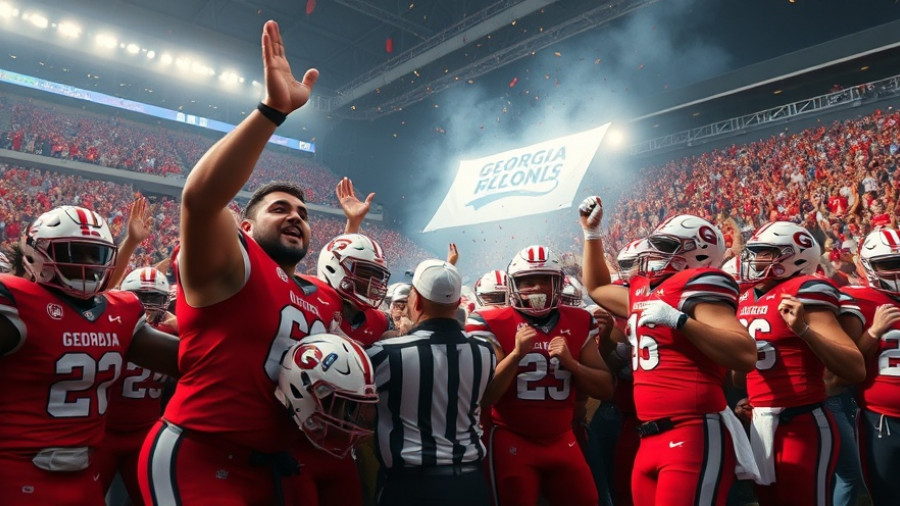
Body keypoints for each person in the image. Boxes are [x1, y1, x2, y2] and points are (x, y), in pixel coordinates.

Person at [137, 20, 346, 505]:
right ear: (245, 228)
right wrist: (272, 111)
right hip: (202, 457)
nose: (295, 218)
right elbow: (200, 200)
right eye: (279, 209)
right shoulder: (235, 264)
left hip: (274, 465)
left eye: (303, 214)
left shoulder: (318, 296)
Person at [580, 197, 758, 506]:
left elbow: (744, 353)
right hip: (648, 434)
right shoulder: (642, 289)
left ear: (699, 252)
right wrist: (591, 234)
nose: (652, 251)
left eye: (664, 244)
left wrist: (680, 320)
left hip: (692, 428)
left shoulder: (698, 283)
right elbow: (595, 287)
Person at [0, 205, 178, 506]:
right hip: (14, 470)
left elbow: (190, 361)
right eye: (74, 253)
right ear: (36, 255)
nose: (87, 265)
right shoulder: (15, 303)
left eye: (94, 256)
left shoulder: (118, 312)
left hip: (85, 475)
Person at [467, 244, 614, 506]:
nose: (536, 288)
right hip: (512, 438)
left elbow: (605, 389)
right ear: (513, 285)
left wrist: (572, 364)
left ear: (558, 282)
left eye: (545, 280)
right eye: (528, 281)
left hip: (563, 438)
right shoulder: (490, 321)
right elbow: (486, 396)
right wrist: (515, 356)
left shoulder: (579, 319)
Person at [736, 221, 865, 506]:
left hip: (802, 421)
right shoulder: (745, 296)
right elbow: (741, 373)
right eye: (754, 252)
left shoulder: (805, 290)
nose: (755, 259)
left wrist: (804, 330)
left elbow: (855, 368)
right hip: (760, 421)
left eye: (765, 252)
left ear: (795, 255)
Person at [367, 259, 496, 506]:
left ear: (415, 301)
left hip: (410, 487)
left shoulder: (385, 354)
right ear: (458, 302)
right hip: (470, 485)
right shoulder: (484, 351)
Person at [95, 267, 177, 505]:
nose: (148, 305)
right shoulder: (111, 330)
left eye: (155, 298)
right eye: (142, 297)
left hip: (145, 434)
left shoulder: (171, 334)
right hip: (103, 435)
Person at [842, 228, 900, 505]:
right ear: (868, 266)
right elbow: (846, 362)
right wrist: (875, 332)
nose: (897, 272)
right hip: (882, 420)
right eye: (889, 264)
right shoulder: (856, 300)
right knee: (887, 495)